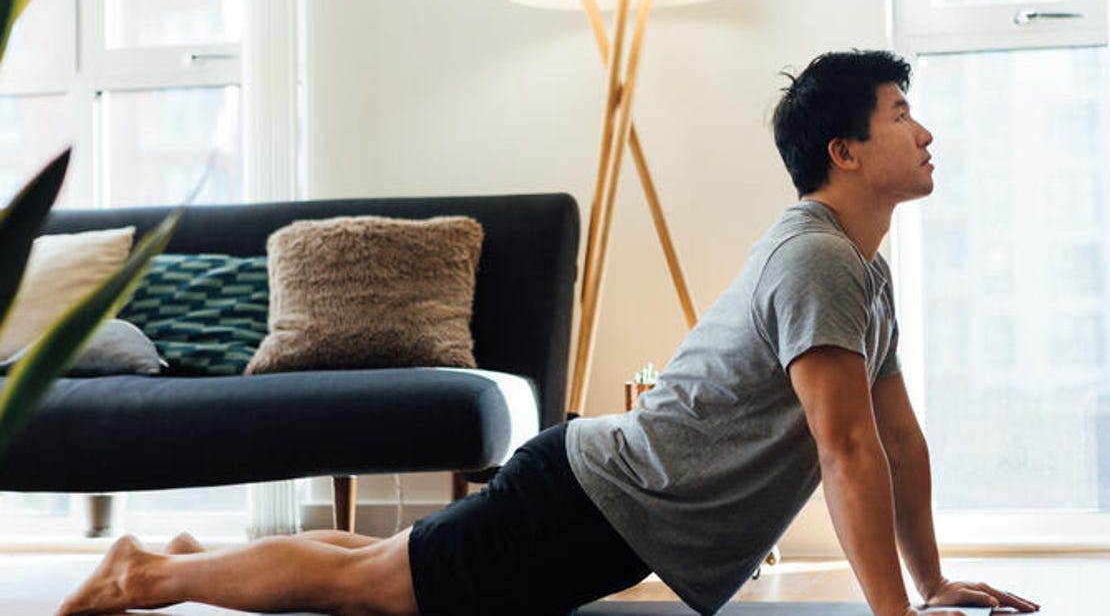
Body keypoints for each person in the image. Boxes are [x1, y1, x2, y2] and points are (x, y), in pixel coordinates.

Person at [57, 50, 1041, 616]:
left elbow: (896, 439)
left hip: (602, 500)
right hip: (588, 500)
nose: (926, 134)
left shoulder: (860, 271)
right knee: (377, 592)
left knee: (384, 566)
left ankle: (183, 554)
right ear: (845, 150)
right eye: (903, 115)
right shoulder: (820, 258)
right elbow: (846, 446)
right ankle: (151, 575)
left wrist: (934, 583)